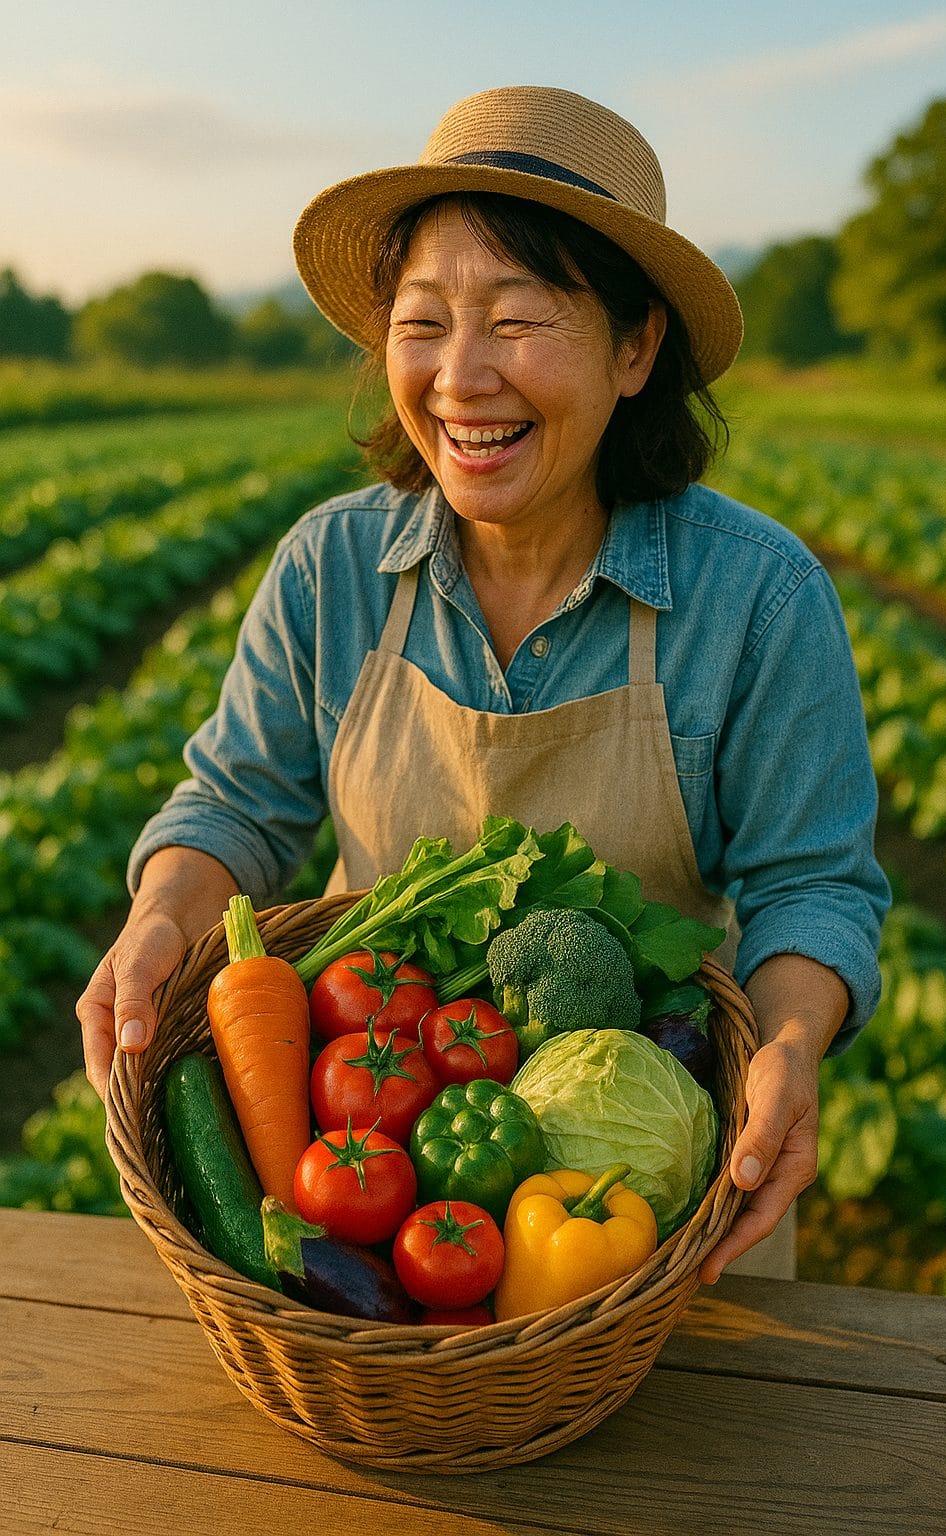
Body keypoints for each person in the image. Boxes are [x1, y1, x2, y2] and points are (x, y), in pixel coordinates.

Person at [78, 85, 890, 1282]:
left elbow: (812, 882)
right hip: (379, 1159)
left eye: (518, 321)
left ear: (633, 347)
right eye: (424, 322)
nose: (461, 378)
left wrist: (791, 1038)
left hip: (662, 1205)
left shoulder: (757, 598)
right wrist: (162, 917)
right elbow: (237, 805)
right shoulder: (331, 569)